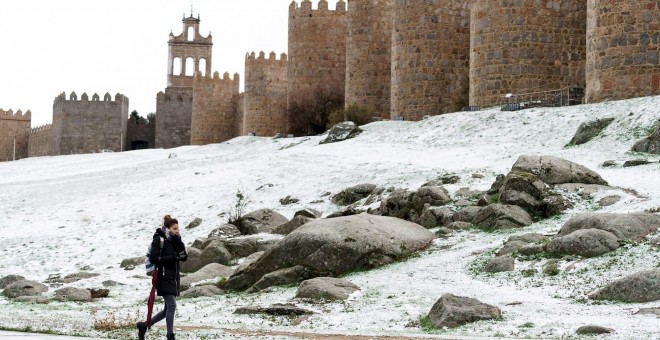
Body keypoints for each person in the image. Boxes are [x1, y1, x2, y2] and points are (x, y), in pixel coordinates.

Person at [137, 215, 188, 340]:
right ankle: (170, 335)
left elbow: (184, 256)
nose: (177, 231)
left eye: (178, 229)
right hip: (163, 276)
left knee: (167, 309)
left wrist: (179, 242)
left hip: (173, 277)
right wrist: (173, 258)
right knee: (171, 305)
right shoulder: (159, 239)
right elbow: (154, 258)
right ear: (168, 228)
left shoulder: (174, 241)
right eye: (175, 228)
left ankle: (144, 325)